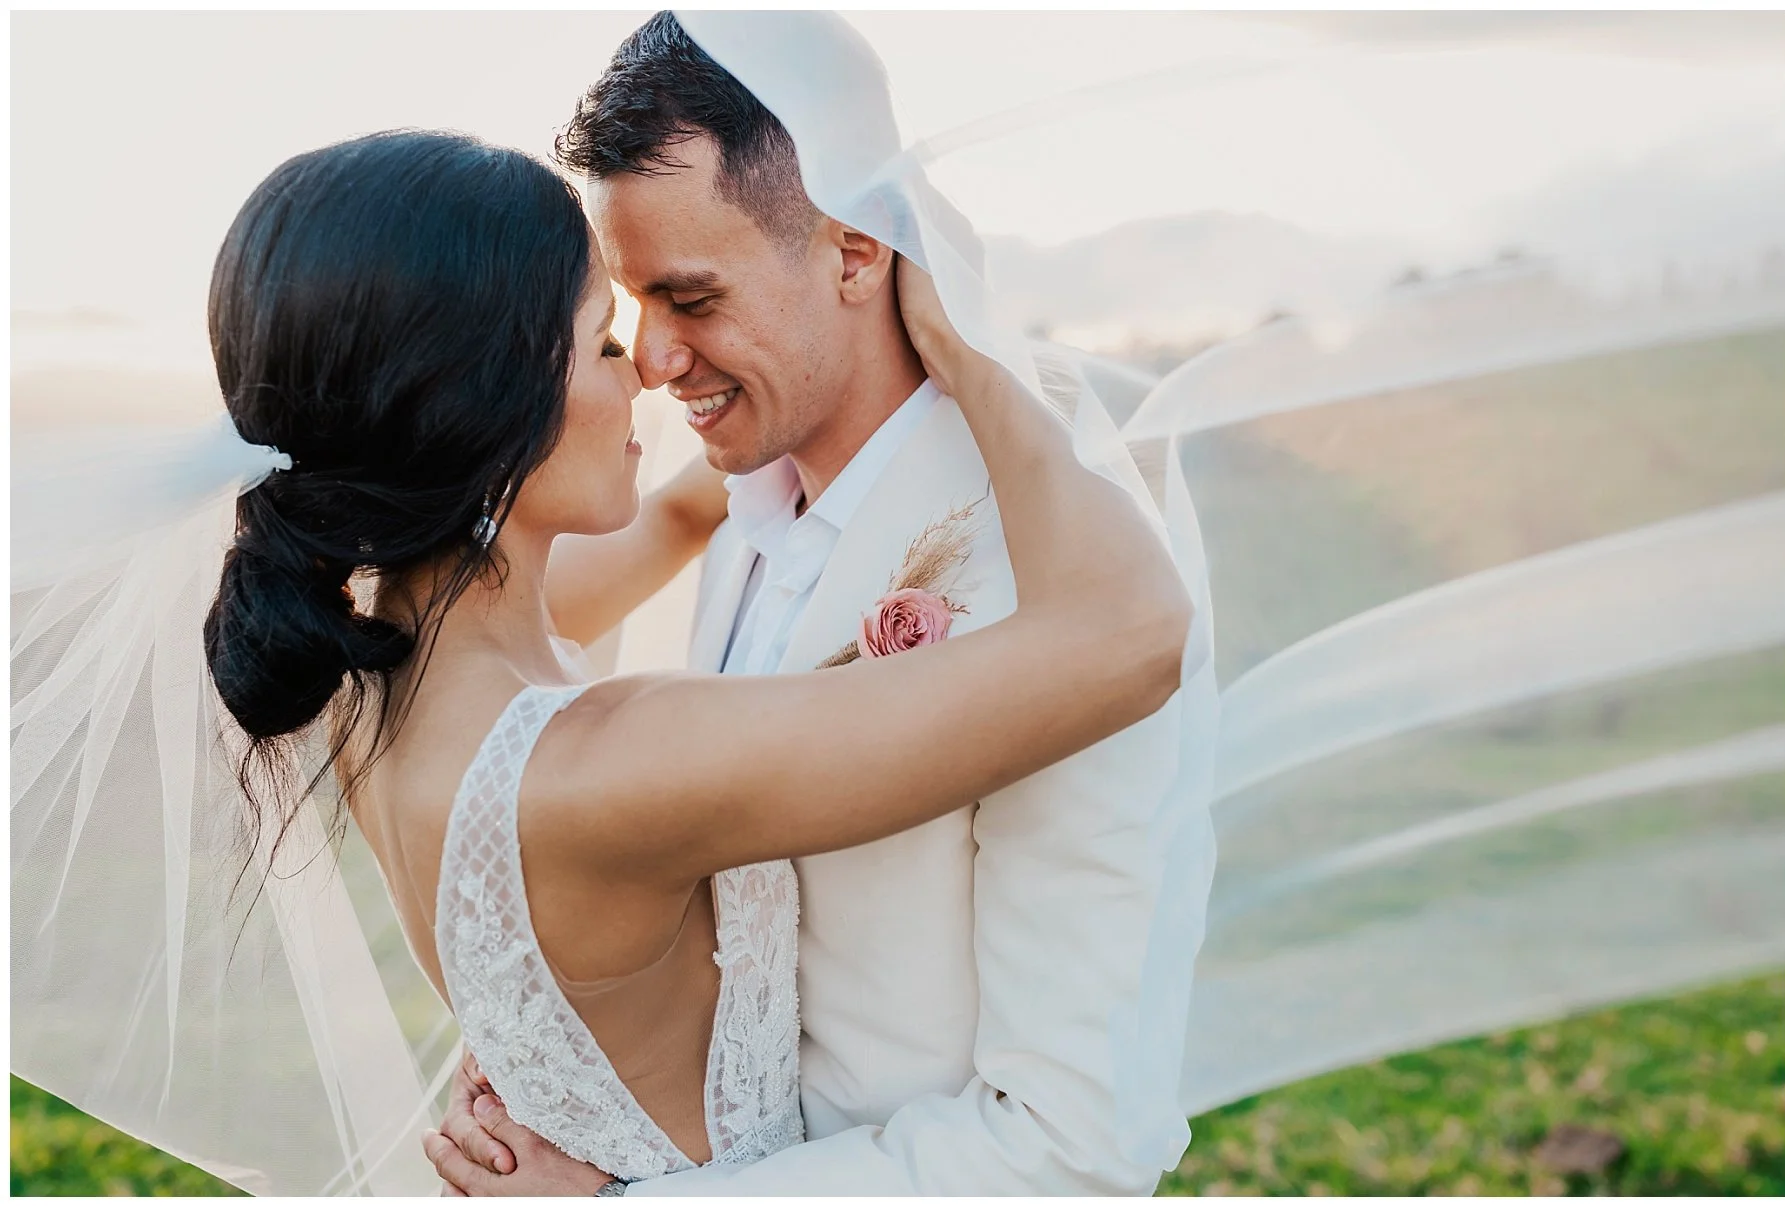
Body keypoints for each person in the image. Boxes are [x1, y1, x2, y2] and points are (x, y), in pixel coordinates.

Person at [194, 125, 1186, 1191]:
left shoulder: (374, 670)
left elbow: (672, 516)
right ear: (483, 407)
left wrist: (820, 382)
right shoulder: (615, 760)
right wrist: (970, 354)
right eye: (606, 344)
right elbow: (1127, 633)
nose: (650, 377)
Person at [427, 12, 1197, 1195]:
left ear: (854, 249)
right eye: (631, 309)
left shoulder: (1058, 578)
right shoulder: (736, 508)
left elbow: (1072, 1144)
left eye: (691, 298)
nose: (654, 361)